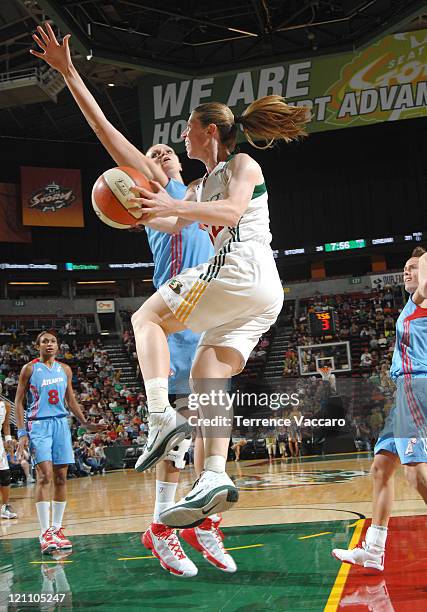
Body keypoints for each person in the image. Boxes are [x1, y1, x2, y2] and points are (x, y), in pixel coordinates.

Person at [31, 23, 236, 576]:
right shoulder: (155, 191)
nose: (163, 152)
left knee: (216, 434)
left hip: (214, 313)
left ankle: (205, 524)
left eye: (168, 149)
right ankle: (162, 528)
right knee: (176, 438)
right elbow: (104, 131)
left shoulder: (205, 194)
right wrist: (71, 73)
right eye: (154, 152)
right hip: (177, 318)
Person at [127, 98, 309, 526]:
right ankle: (213, 474)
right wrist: (133, 211)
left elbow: (230, 211)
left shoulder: (242, 164)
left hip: (240, 267)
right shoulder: (198, 186)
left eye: (189, 128)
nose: (184, 136)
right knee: (205, 374)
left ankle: (159, 416)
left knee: (145, 319)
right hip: (261, 293)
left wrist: (172, 207)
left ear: (211, 131)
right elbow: (173, 223)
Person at [332, 247, 427, 572]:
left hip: (417, 387)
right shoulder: (409, 305)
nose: (407, 272)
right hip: (404, 394)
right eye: (405, 267)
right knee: (381, 467)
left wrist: (422, 256)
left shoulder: (423, 300)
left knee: (415, 474)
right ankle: (373, 550)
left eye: (413, 268)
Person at [15, 330, 104, 553]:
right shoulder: (29, 369)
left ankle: (56, 529)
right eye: (45, 341)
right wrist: (22, 433)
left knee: (62, 477)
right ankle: (44, 532)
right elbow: (18, 402)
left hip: (61, 424)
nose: (49, 344)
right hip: (39, 425)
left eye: (53, 341)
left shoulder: (65, 369)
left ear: (58, 345)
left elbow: (70, 399)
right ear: (38, 346)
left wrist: (85, 423)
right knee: (44, 476)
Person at [0, 397, 17, 519]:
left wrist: (9, 440)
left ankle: (4, 507)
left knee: (5, 476)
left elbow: (6, 425)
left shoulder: (6, 405)